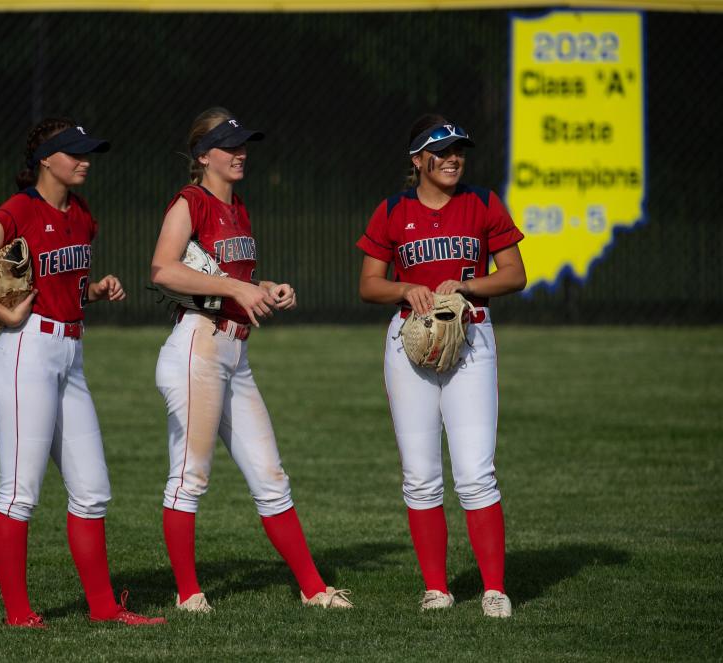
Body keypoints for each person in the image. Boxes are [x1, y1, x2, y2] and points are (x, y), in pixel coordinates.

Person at [0, 117, 165, 628]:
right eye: (75, 152)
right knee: (20, 491)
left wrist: (95, 288)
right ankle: (19, 616)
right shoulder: (20, 209)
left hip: (70, 355)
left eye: (88, 153)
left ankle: (105, 609)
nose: (85, 160)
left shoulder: (82, 215)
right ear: (47, 159)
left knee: (92, 489)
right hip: (26, 354)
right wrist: (4, 313)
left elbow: (59, 283)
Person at [150, 107, 353, 613]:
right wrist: (237, 286)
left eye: (243, 144)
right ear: (203, 156)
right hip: (197, 347)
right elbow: (163, 270)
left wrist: (266, 288)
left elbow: (230, 279)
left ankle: (314, 590)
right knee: (190, 476)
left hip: (234, 351)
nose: (241, 153)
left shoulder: (237, 208)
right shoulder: (190, 202)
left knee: (271, 475)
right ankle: (189, 593)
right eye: (229, 145)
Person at [356, 115, 527, 618]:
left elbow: (515, 274)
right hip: (410, 344)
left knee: (476, 472)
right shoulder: (392, 210)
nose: (453, 158)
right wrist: (405, 287)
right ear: (417, 160)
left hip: (471, 339)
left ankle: (494, 588)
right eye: (441, 149)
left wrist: (469, 285)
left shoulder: (483, 203)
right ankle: (437, 588)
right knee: (421, 474)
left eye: (458, 150)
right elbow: (369, 284)